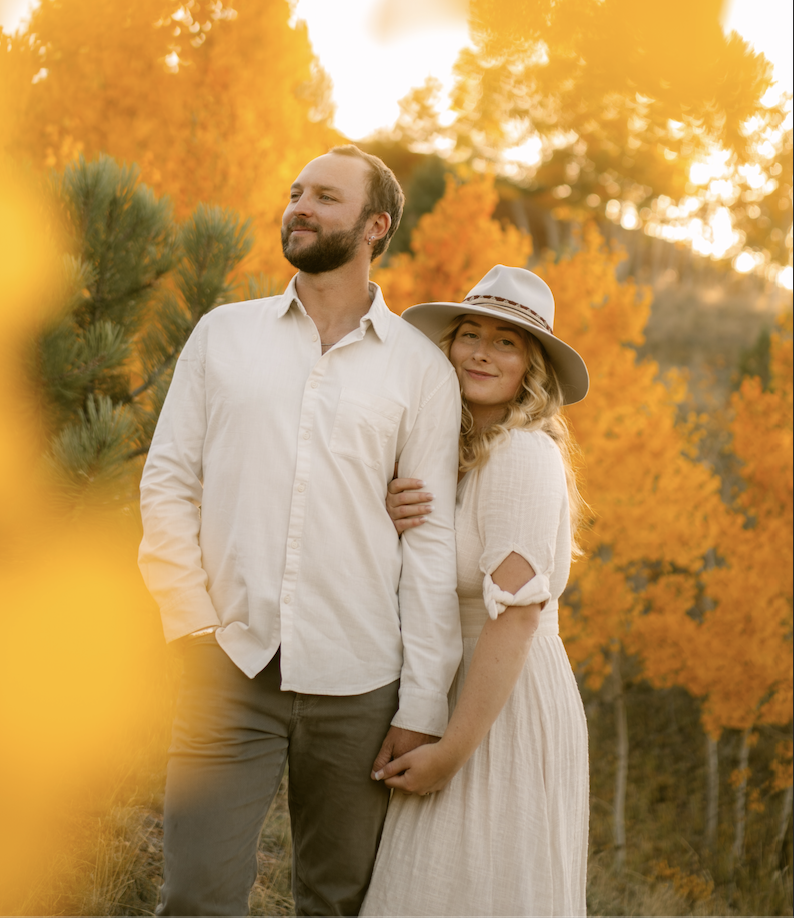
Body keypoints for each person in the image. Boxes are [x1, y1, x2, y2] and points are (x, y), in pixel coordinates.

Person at [137, 144, 463, 916]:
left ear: (376, 225)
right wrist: (189, 624)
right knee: (195, 895)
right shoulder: (224, 335)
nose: (300, 208)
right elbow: (169, 481)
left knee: (335, 900)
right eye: (295, 193)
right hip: (227, 666)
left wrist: (421, 703)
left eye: (324, 196)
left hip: (360, 685)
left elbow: (429, 541)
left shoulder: (420, 370)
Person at [360, 264, 591, 917]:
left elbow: (516, 617)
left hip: (500, 704)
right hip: (457, 688)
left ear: (532, 367)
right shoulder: (455, 452)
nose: (483, 352)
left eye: (506, 342)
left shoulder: (521, 453)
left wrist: (451, 752)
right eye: (470, 334)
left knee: (457, 889)